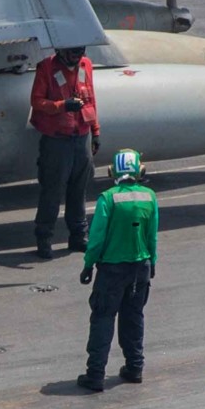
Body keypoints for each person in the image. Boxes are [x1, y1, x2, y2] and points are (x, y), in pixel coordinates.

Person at [77, 149, 158, 394]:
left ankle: (96, 374)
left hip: (111, 269)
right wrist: (152, 262)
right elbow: (151, 236)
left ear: (113, 171)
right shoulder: (149, 197)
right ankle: (135, 367)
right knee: (133, 317)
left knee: (103, 318)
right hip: (140, 267)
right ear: (139, 171)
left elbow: (97, 237)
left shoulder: (108, 198)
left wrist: (88, 264)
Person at [28, 45, 100, 259]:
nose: (77, 58)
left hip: (82, 137)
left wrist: (95, 131)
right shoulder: (47, 68)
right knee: (52, 191)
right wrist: (62, 106)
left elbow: (91, 98)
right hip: (57, 140)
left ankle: (78, 237)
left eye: (79, 53)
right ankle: (44, 239)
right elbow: (37, 101)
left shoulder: (86, 65)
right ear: (61, 51)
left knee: (79, 190)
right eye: (72, 53)